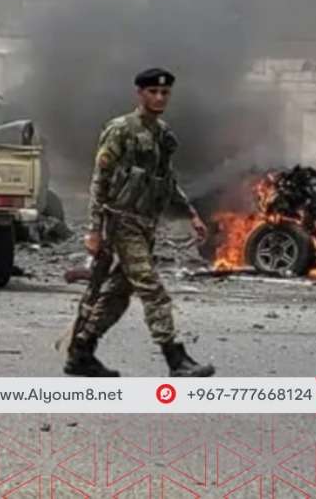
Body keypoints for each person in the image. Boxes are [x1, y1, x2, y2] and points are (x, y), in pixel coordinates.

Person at [64, 67, 215, 378]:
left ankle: (81, 351)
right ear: (140, 93)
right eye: (153, 92)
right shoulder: (120, 130)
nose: (159, 97)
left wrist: (191, 214)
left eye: (165, 93)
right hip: (121, 223)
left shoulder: (162, 135)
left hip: (146, 225)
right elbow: (100, 181)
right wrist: (93, 229)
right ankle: (175, 358)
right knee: (152, 288)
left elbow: (167, 181)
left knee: (118, 295)